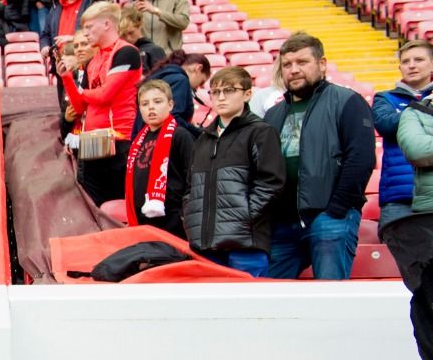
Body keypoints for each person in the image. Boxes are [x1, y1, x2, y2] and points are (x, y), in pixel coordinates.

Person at [263, 33, 376, 279]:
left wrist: (336, 208)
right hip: (282, 222)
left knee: (330, 296)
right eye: (287, 65)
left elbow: (361, 158)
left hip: (329, 216)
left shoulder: (347, 101)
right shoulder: (273, 114)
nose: (293, 70)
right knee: (268, 296)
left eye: (302, 62)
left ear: (322, 64)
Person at [183, 66, 286, 275]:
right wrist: (191, 218)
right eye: (215, 92)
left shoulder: (261, 132)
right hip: (205, 245)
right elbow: (189, 188)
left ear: (247, 94)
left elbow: (271, 183)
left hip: (246, 245)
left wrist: (245, 217)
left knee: (251, 306)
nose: (221, 97)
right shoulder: (202, 139)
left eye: (229, 90)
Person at [375, 42, 433, 336]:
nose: (411, 65)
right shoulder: (384, 98)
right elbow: (387, 125)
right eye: (406, 60)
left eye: (419, 59)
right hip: (400, 202)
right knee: (422, 286)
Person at [60, 2, 142, 205]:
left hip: (118, 139)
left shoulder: (127, 53)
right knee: (92, 208)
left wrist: (80, 91)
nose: (85, 33)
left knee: (117, 205)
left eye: (89, 27)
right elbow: (79, 107)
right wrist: (66, 78)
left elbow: (106, 95)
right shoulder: (93, 61)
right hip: (92, 142)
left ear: (107, 24)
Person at [125, 79, 193, 237]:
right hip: (143, 217)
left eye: (157, 102)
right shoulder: (138, 140)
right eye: (144, 104)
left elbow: (192, 176)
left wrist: (184, 214)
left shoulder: (180, 135)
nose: (151, 108)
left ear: (170, 105)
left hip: (172, 220)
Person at [119, 6, 165, 73]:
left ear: (140, 26)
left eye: (131, 33)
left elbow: (162, 79)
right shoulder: (119, 53)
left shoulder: (154, 51)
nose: (128, 38)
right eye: (123, 35)